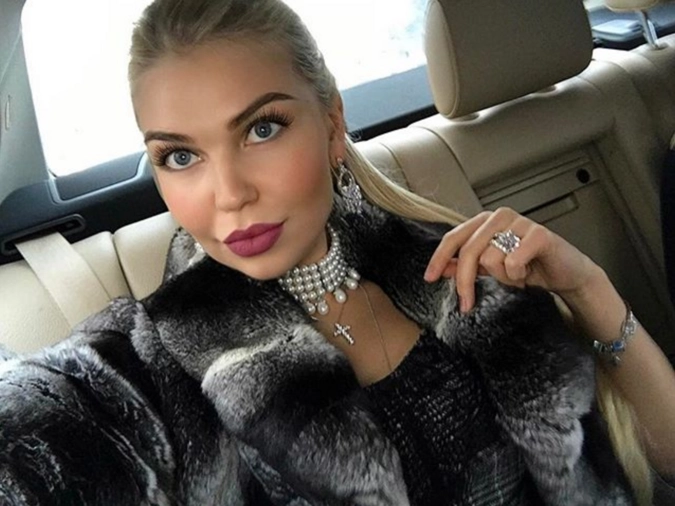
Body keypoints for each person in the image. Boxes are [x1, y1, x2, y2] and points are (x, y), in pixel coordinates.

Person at [1, 0, 675, 504]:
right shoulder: (151, 366)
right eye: (180, 156)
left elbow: (659, 461)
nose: (228, 194)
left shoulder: (459, 271)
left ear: (330, 125)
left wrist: (587, 289)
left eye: (262, 129)